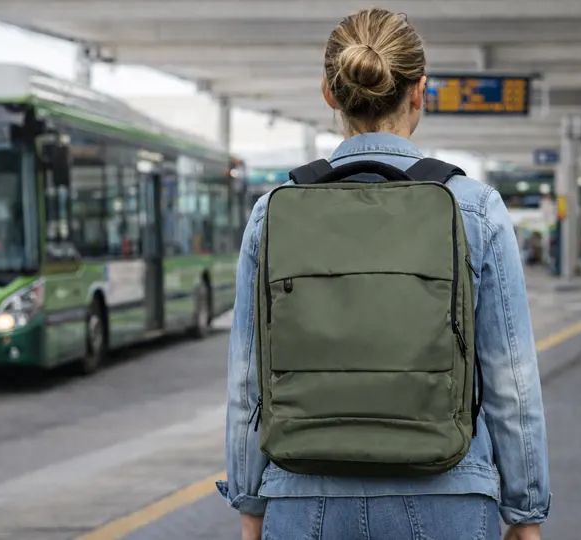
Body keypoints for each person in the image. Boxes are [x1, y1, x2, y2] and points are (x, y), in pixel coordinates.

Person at [217, 7, 550, 540]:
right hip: (449, 492)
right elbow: (511, 378)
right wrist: (525, 511)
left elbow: (249, 381)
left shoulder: (274, 209)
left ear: (329, 93)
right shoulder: (474, 207)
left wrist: (251, 504)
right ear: (420, 92)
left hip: (305, 495)